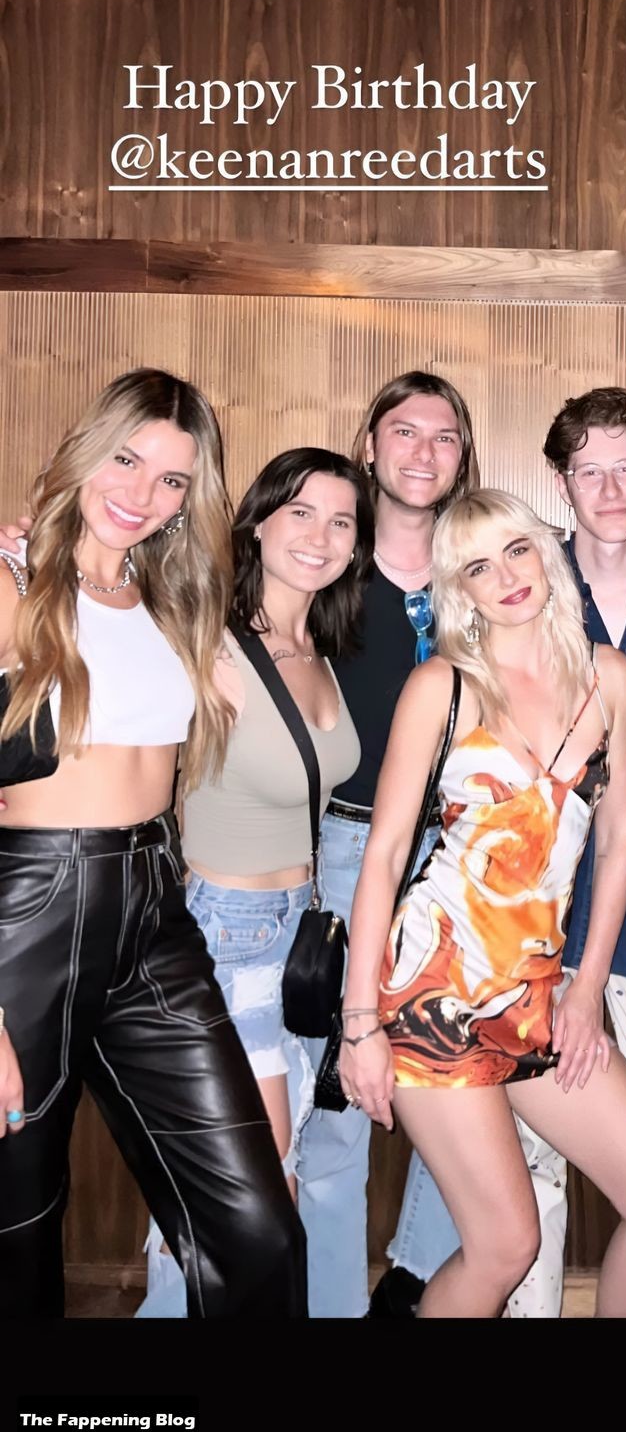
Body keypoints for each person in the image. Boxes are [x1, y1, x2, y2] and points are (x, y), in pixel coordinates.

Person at [0, 369, 306, 1318]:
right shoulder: (12, 581)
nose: (143, 492)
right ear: (86, 450)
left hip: (153, 910)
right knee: (18, 1227)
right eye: (127, 460)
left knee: (257, 1228)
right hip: (28, 919)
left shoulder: (172, 598)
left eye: (173, 478)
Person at [340, 490, 626, 1318]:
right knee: (504, 1246)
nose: (507, 577)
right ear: (459, 590)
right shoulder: (442, 686)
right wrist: (359, 1025)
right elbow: (385, 855)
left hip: (539, 993)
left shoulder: (609, 678)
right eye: (478, 567)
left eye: (517, 550)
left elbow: (618, 838)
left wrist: (587, 988)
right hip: (432, 995)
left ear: (545, 552)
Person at [481, 386, 626, 1317]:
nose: (611, 489)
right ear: (561, 482)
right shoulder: (522, 592)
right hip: (535, 931)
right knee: (528, 1175)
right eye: (590, 471)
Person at [138, 447, 367, 1315]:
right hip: (226, 932)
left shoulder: (319, 648)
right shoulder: (209, 646)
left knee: (251, 1193)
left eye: (341, 521)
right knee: (250, 1196)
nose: (320, 536)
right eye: (300, 512)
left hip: (297, 930)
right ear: (259, 524)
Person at [299, 371, 478, 1317]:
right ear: (369, 446)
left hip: (459, 863)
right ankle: (331, 1306)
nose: (422, 451)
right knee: (336, 1105)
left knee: (463, 1089)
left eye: (444, 436)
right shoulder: (323, 560)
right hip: (344, 852)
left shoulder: (482, 568)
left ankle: (414, 1288)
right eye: (403, 431)